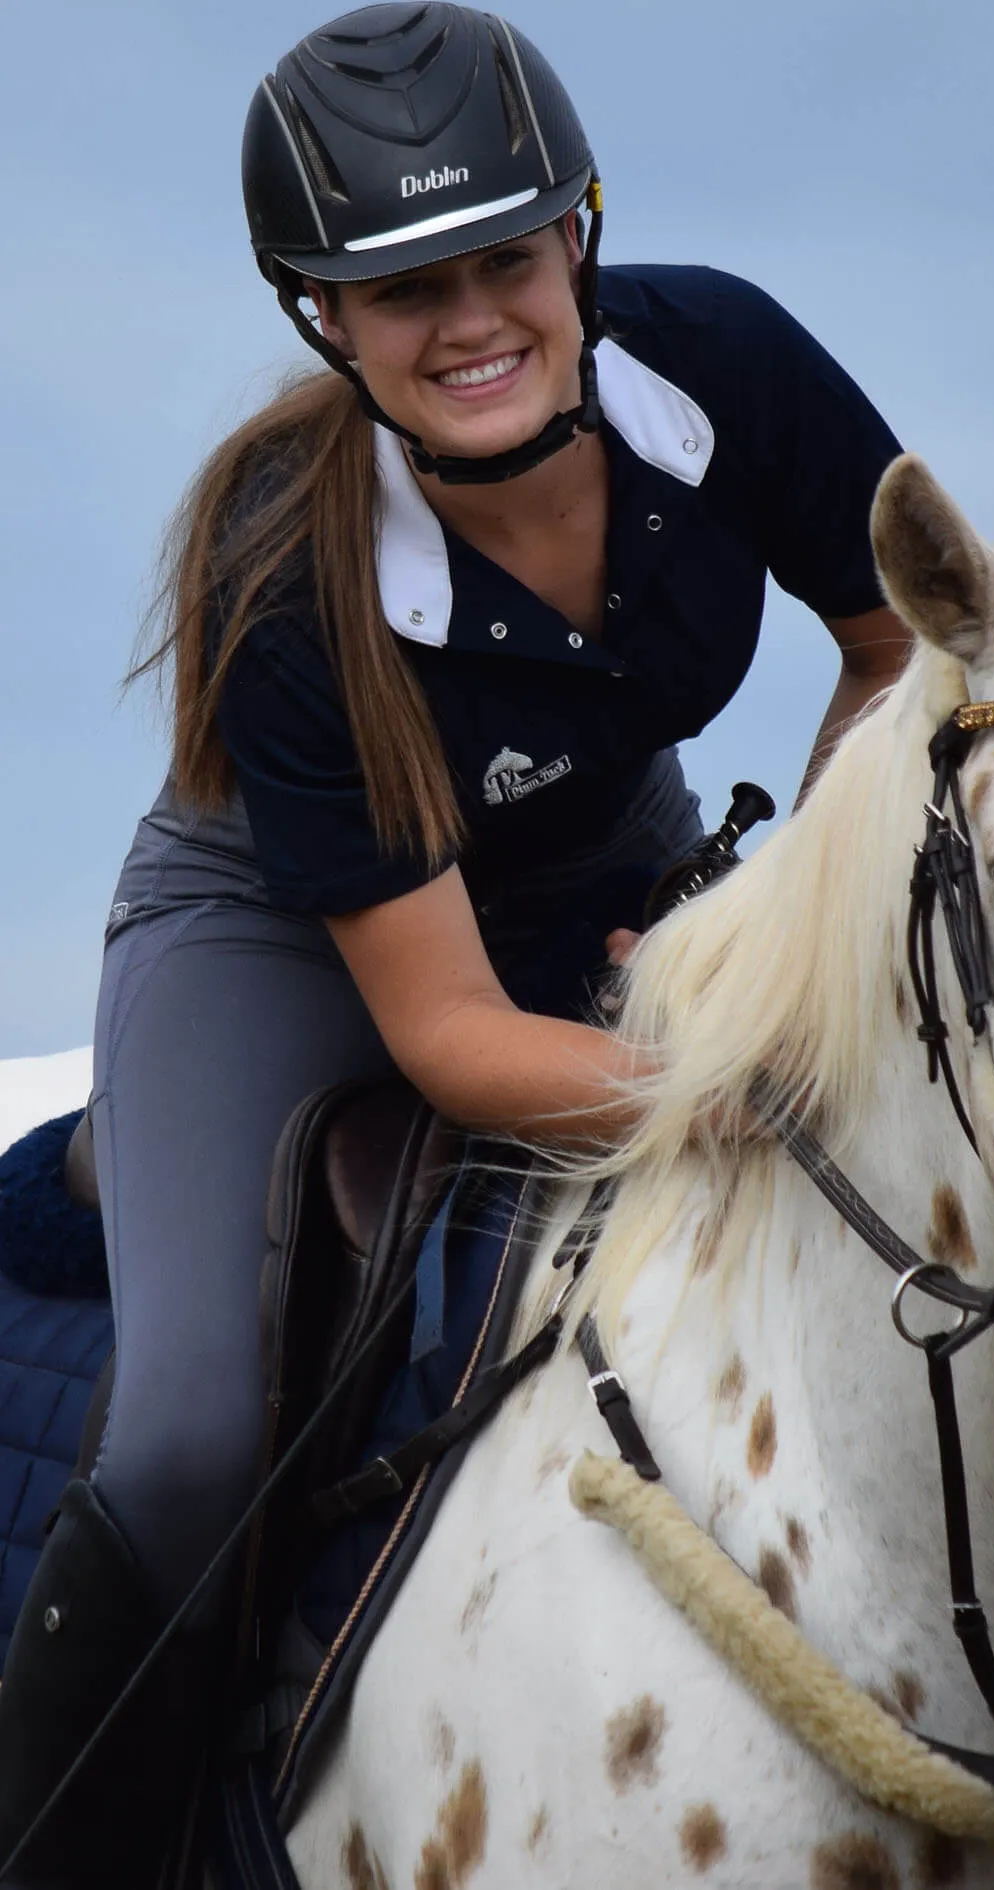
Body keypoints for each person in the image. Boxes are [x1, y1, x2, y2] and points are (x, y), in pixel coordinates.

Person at [0, 4, 908, 1881]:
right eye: (396, 284)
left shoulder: (726, 357)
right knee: (177, 1436)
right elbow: (457, 1044)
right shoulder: (285, 547)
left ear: (578, 226)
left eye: (503, 254)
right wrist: (741, 1080)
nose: (469, 317)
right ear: (315, 310)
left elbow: (897, 642)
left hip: (601, 845)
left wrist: (799, 927)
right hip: (282, 935)